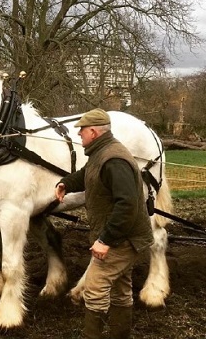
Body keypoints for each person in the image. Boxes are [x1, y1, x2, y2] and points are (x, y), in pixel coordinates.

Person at [55, 109, 154, 339]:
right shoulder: (101, 153)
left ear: (93, 131)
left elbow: (127, 205)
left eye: (81, 130)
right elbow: (88, 173)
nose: (79, 134)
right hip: (122, 236)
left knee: (94, 289)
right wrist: (66, 184)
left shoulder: (114, 159)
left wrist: (105, 240)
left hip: (122, 239)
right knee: (120, 290)